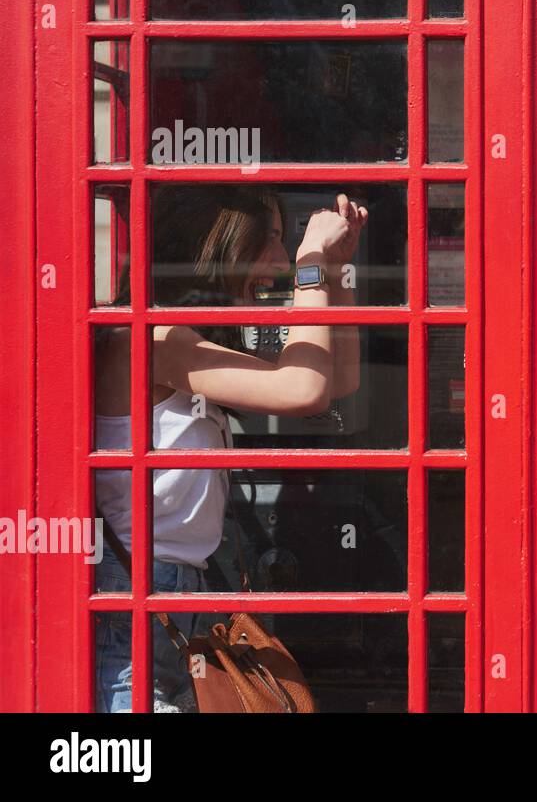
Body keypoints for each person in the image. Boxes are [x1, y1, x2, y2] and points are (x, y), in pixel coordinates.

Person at [93, 185, 367, 713]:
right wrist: (310, 261)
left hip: (178, 597)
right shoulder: (153, 339)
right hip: (138, 604)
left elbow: (338, 379)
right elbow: (302, 390)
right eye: (270, 240)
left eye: (289, 245)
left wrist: (329, 271)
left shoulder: (183, 339)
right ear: (218, 243)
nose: (283, 260)